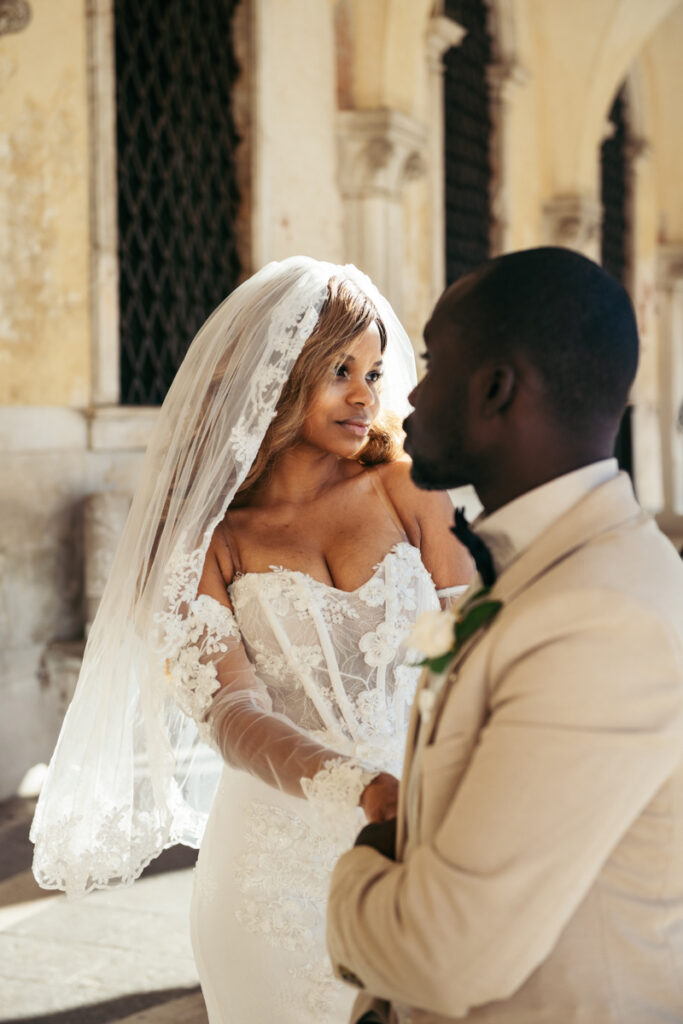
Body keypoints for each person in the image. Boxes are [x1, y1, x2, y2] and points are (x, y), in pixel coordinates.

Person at [30, 256, 471, 1023]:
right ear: (280, 372)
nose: (366, 393)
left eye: (372, 370)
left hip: (424, 839)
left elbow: (476, 643)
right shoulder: (203, 540)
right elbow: (231, 712)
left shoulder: (408, 488)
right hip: (271, 871)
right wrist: (358, 789)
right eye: (339, 368)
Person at [326, 246, 683, 1023]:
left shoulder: (600, 618)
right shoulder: (545, 563)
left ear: (495, 389)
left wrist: (357, 873)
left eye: (429, 362)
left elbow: (442, 955)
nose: (408, 397)